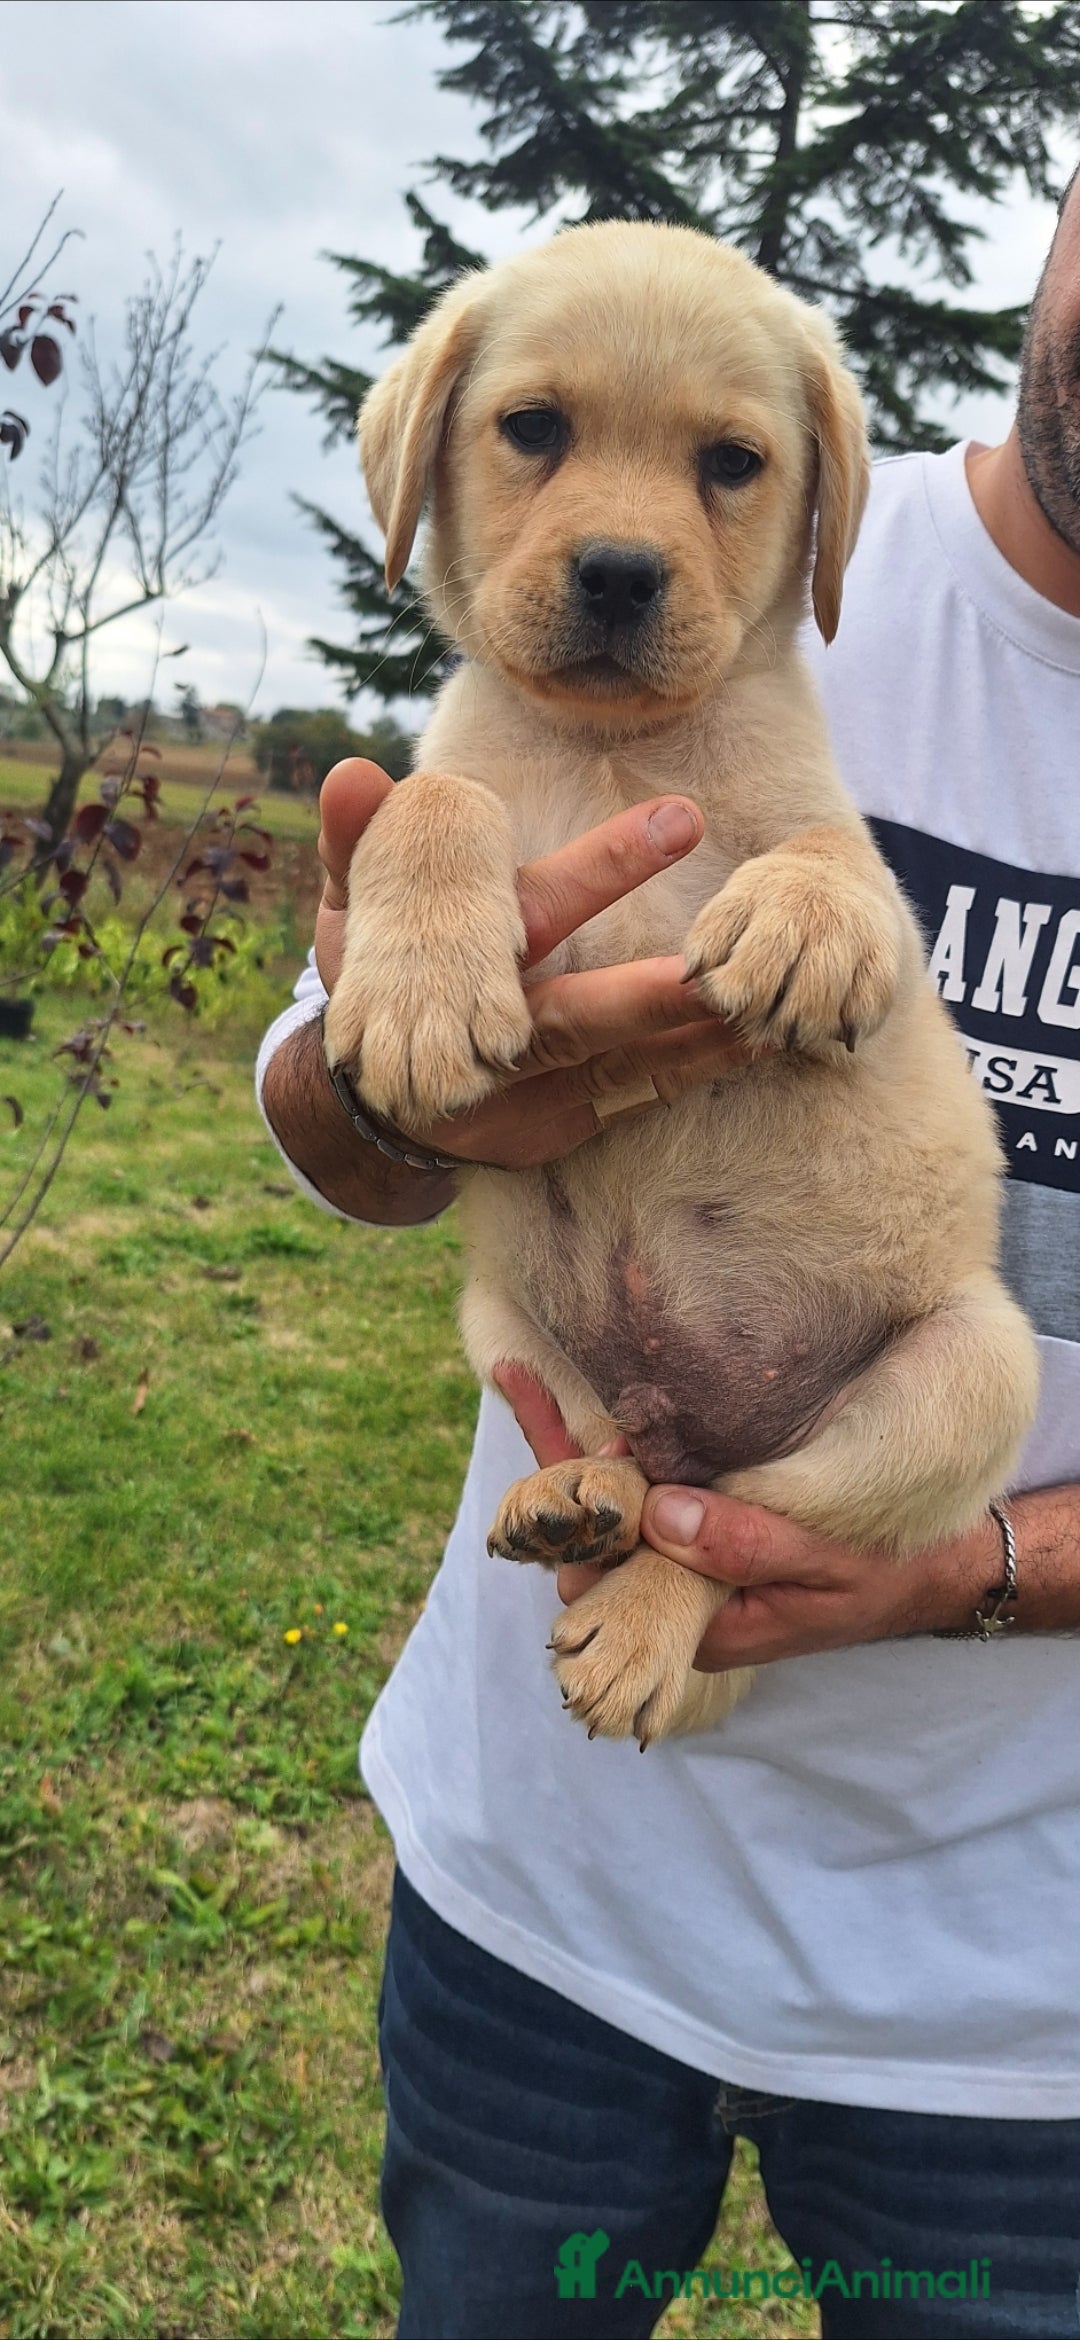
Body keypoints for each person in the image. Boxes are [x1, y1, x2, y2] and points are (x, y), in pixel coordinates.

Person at [257, 173, 1080, 2339]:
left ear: (801, 509)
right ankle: (627, 1502)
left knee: (974, 1363)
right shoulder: (567, 712)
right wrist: (391, 1059)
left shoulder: (773, 690)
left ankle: (685, 1555)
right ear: (424, 466)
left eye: (721, 469)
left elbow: (816, 859)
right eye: (537, 435)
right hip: (542, 1901)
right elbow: (338, 1096)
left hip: (1015, 2021)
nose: (626, 536)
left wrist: (943, 1565)